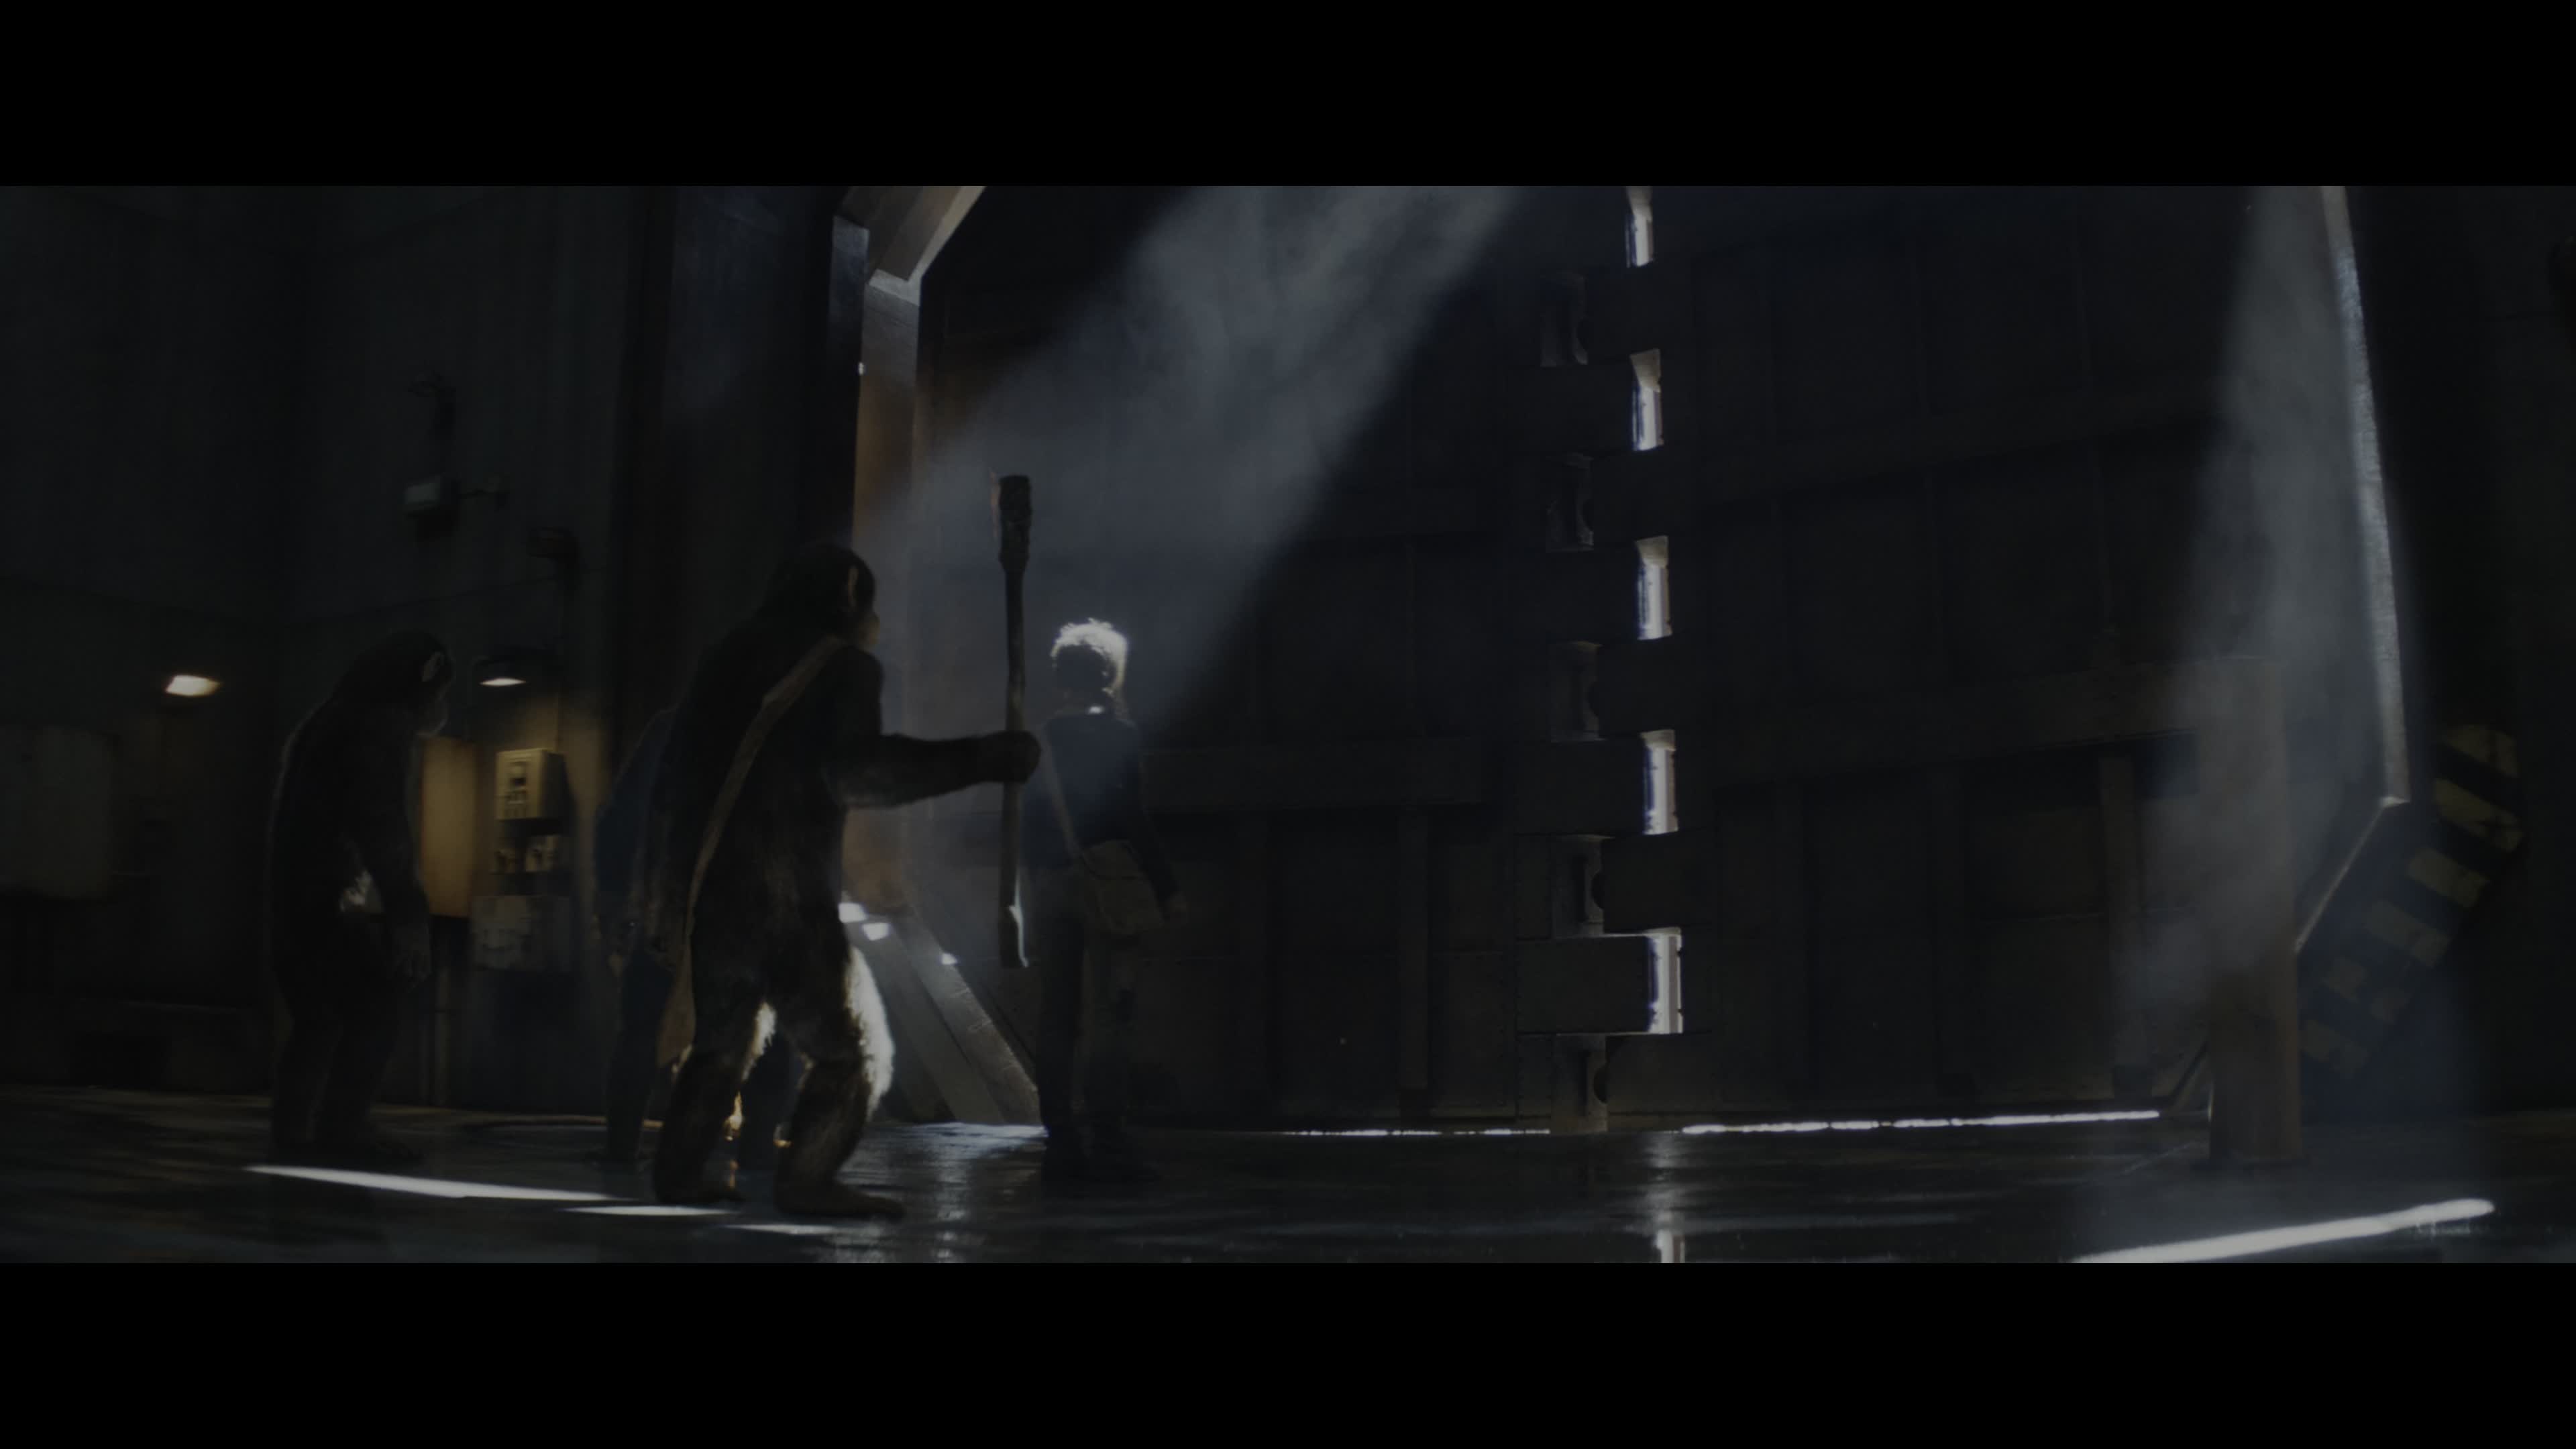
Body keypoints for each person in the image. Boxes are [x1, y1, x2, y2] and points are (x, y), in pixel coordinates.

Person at [642, 543, 1038, 1216]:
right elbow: (859, 773)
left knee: (719, 1046)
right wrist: (983, 759)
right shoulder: (842, 667)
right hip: (790, 895)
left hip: (714, 894)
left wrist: (662, 893)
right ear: (848, 595)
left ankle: (677, 1177)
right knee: (854, 1053)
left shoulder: (722, 659)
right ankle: (808, 1180)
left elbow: (671, 786)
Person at [265, 631, 452, 1164]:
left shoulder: (328, 719)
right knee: (377, 1003)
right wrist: (409, 915)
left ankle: (294, 1130)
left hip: (293, 898)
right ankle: (342, 1130)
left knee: (319, 1018)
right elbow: (381, 822)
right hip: (323, 898)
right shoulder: (380, 723)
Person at [595, 710, 800, 1167]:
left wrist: (611, 899)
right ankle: (756, 1145)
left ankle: (621, 1148)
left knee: (644, 1025)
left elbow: (619, 817)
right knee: (766, 1027)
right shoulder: (776, 725)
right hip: (748, 904)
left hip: (679, 903)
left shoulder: (677, 726)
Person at [1021, 619, 1186, 1184]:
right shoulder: (1119, 734)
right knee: (1112, 1010)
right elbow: (1131, 817)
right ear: (1109, 675)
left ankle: (1061, 1145)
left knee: (1057, 1015)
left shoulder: (1039, 740)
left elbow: (1027, 825)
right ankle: (1109, 1143)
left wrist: (1034, 886)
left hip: (1051, 884)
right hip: (1109, 881)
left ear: (1061, 677)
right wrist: (1167, 887)